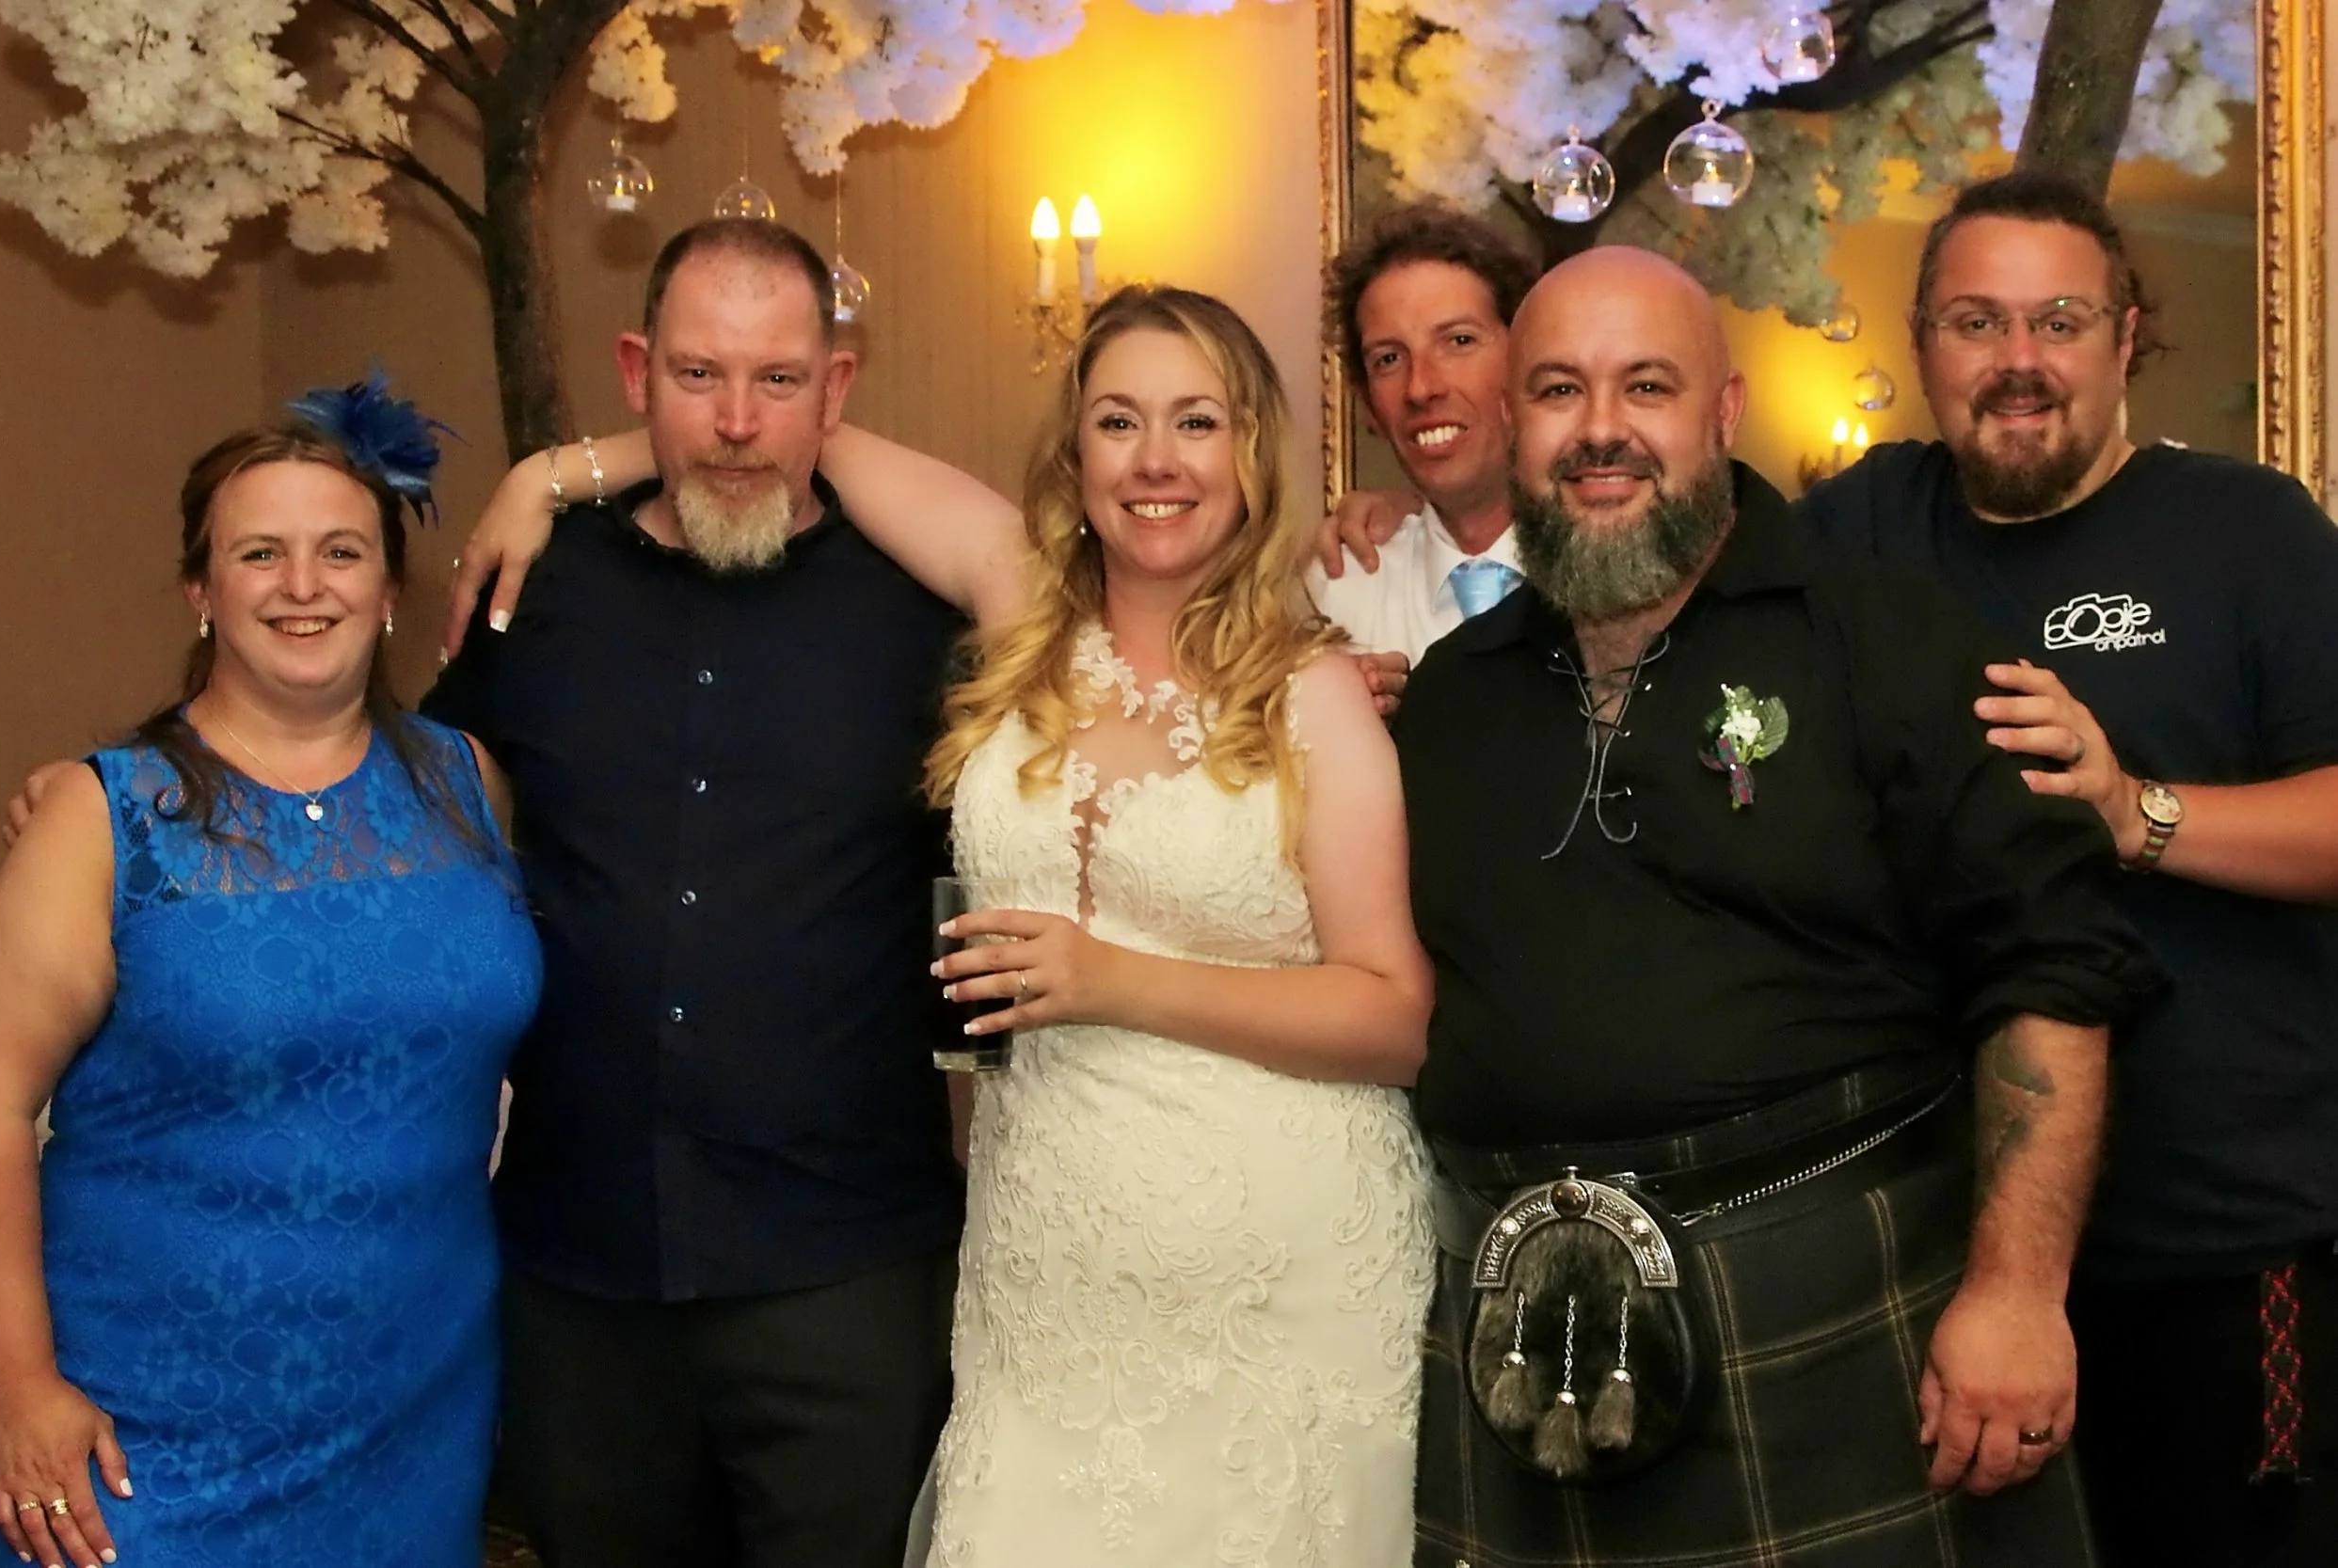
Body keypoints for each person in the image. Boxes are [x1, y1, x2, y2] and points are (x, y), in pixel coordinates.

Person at [1393, 245, 2162, 1566]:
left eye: (1648, 386)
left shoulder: (1890, 636)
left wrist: (2020, 1289)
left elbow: (2051, 969)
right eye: (1560, 390)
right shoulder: (1450, 695)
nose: (1601, 431)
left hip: (1842, 1310)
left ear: (1724, 412)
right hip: (1524, 1331)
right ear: (1515, 419)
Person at [418, 219, 998, 1565]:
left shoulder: (924, 611)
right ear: (636, 370)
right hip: (578, 1267)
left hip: (842, 1268)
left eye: (779, 381)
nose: (736, 421)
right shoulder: (536, 586)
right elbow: (403, 803)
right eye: (697, 375)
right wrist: (142, 790)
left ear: (837, 392)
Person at [1801, 169, 2338, 1567]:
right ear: (1921, 343)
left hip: (2218, 1241)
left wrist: (2133, 809)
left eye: (2058, 319)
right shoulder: (1857, 531)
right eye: (1977, 321)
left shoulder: (2251, 530)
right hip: (1943, 1245)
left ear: (2124, 335)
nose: (2020, 360)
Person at [914, 285, 1434, 1564]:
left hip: (1272, 1280)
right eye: (1119, 420)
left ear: (1252, 454)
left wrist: (1109, 978)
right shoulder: (1023, 638)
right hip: (1043, 1271)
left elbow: (1393, 1013)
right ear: (1073, 454)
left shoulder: (1313, 691)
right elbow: (797, 431)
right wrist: (570, 469)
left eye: (1196, 420)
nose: (1156, 459)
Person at [0, 388, 541, 1568]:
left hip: (413, 1414)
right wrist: (19, 1383)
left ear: (389, 590)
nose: (304, 584)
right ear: (201, 592)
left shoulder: (467, 785)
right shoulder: (101, 817)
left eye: (341, 551)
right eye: (260, 553)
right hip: (143, 1439)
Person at [1309, 203, 1541, 662]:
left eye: (1458, 341)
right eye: (1389, 359)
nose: (1422, 387)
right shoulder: (1335, 595)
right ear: (1367, 402)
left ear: (1526, 361)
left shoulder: (1611, 567)